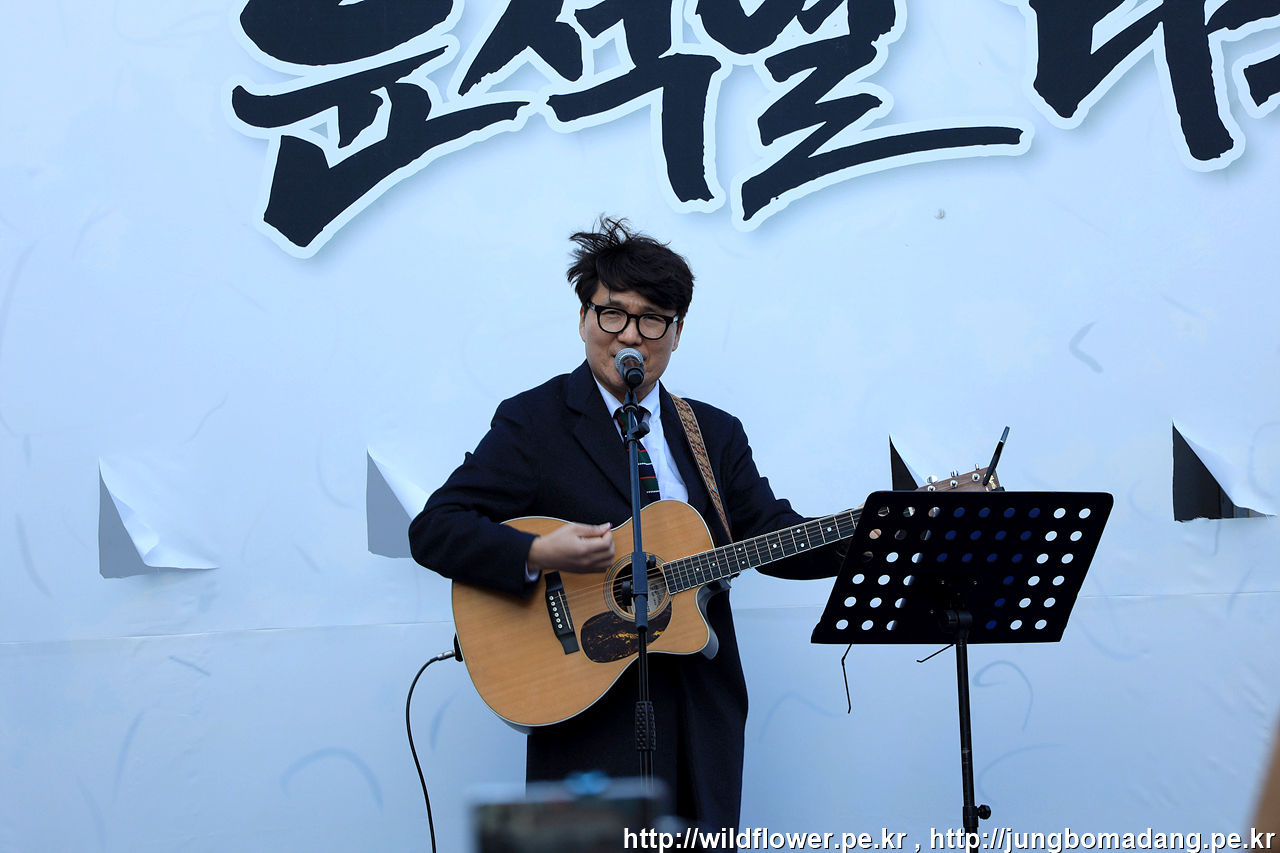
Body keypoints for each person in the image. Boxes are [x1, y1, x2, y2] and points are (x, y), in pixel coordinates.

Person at [409, 216, 844, 834]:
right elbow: (435, 528)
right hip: (584, 704)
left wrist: (877, 531)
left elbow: (774, 535)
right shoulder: (535, 422)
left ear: (677, 331)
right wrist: (537, 551)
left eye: (651, 320)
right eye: (611, 314)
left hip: (699, 707)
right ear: (583, 318)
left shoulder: (713, 433)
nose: (629, 336)